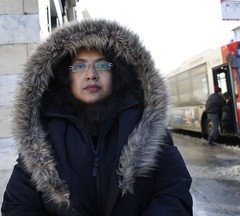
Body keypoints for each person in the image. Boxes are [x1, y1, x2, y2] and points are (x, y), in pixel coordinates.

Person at [1, 19, 193, 216]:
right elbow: (18, 206)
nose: (91, 74)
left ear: (117, 72)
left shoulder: (148, 129)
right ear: (65, 75)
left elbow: (173, 194)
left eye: (102, 66)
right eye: (79, 67)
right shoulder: (41, 139)